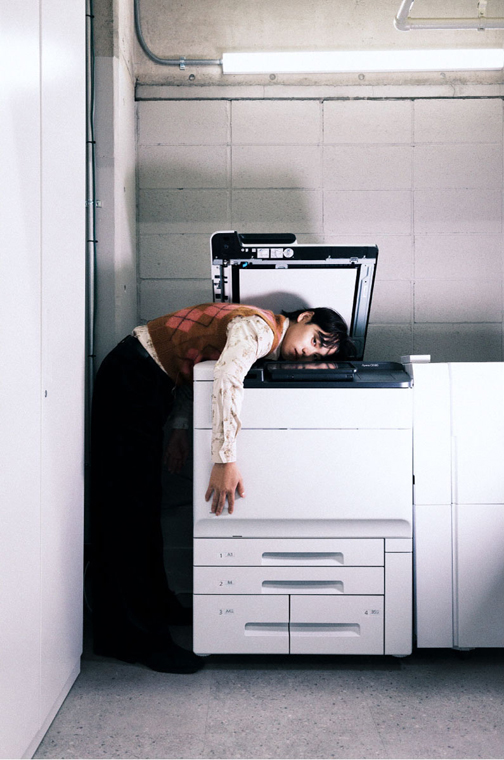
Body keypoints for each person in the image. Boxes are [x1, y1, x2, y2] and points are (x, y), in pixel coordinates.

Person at [90, 302, 354, 674]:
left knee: (143, 502)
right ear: (305, 317)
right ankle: (137, 638)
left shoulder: (263, 332)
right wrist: (224, 460)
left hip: (146, 379)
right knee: (127, 507)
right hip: (132, 376)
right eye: (315, 341)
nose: (307, 354)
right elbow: (226, 377)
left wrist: (180, 429)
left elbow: (197, 368)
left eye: (317, 356)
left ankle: (156, 607)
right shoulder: (259, 329)